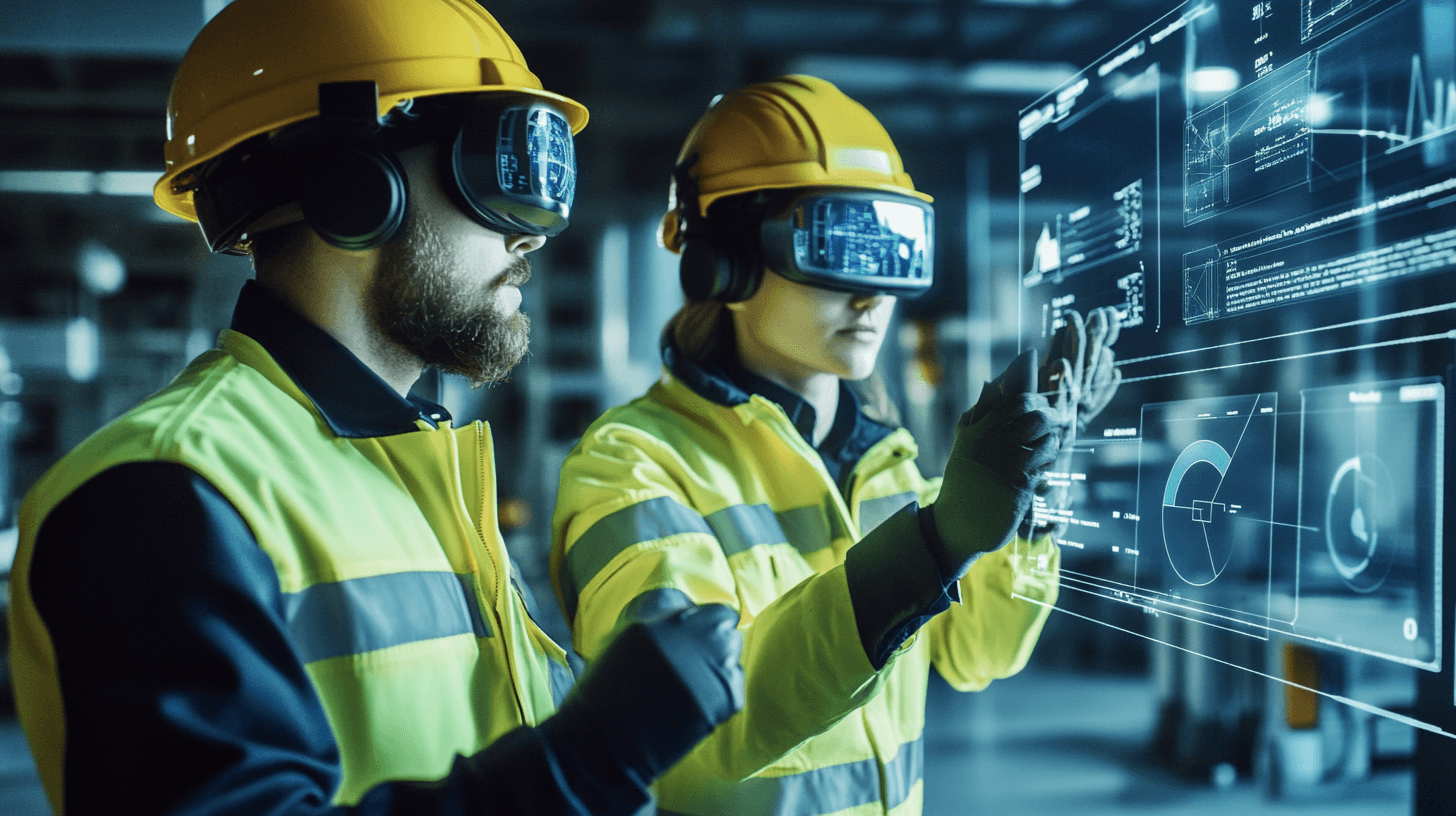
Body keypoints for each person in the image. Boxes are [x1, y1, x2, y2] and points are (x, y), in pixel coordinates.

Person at [7, 1, 744, 814]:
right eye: (501, 177)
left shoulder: (413, 474)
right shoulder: (160, 497)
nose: (531, 237)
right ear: (356, 186)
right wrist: (588, 760)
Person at [549, 75, 1122, 815]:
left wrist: (1032, 499)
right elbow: (693, 735)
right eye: (835, 244)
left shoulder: (886, 458)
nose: (872, 293)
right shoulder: (630, 466)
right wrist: (932, 547)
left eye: (893, 250)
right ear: (724, 256)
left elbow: (978, 654)